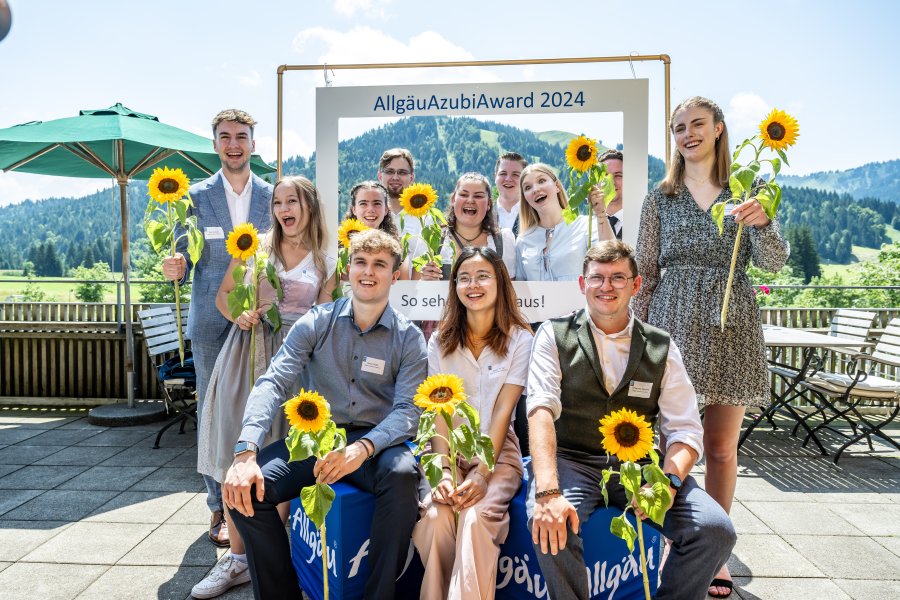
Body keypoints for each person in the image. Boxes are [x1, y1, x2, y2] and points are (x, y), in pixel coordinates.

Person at [634, 96, 789, 598]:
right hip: (672, 322)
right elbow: (646, 270)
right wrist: (637, 339)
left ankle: (715, 555)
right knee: (665, 441)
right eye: (679, 127)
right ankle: (660, 539)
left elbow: (774, 262)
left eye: (697, 124)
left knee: (721, 447)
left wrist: (763, 222)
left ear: (719, 129)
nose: (687, 134)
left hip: (731, 323)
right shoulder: (661, 196)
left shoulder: (753, 188)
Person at [223, 228, 429, 600]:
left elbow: (408, 412)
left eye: (380, 264)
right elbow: (273, 382)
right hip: (317, 440)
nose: (368, 271)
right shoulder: (316, 322)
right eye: (361, 262)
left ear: (395, 276)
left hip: (377, 444)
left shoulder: (409, 337)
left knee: (402, 477)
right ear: (349, 268)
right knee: (246, 492)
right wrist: (245, 450)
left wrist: (362, 449)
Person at [527, 240, 736, 600]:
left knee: (715, 529)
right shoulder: (553, 334)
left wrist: (668, 483)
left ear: (636, 286)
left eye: (618, 278)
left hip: (641, 465)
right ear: (582, 284)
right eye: (597, 278)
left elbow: (685, 430)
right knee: (550, 522)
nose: (606, 287)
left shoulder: (661, 346)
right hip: (573, 460)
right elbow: (541, 410)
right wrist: (547, 491)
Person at [192, 176, 336, 599]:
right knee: (238, 456)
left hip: (300, 362)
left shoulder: (328, 258)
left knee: (284, 456)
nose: (283, 209)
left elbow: (326, 315)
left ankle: (276, 553)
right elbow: (224, 295)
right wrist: (239, 316)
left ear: (309, 205)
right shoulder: (253, 245)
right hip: (248, 354)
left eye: (292, 201)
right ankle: (237, 561)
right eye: (277, 202)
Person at [162, 108, 272, 548]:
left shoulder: (273, 193)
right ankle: (217, 508)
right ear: (215, 144)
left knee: (263, 406)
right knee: (213, 414)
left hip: (263, 319)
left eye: (240, 136)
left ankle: (263, 496)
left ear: (252, 143)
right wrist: (177, 266)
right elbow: (182, 256)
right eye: (224, 136)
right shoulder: (193, 196)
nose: (233, 144)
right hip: (210, 323)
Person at [413, 247, 533, 600]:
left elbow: (503, 411)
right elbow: (437, 412)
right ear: (455, 287)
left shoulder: (520, 340)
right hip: (444, 447)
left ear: (499, 283)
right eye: (463, 278)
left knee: (476, 517)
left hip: (497, 452)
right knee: (436, 520)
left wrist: (482, 472)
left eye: (482, 276)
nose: (473, 285)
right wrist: (444, 471)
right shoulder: (439, 342)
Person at [416, 172, 517, 282]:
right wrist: (424, 280)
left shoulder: (503, 240)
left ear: (488, 204)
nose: (470, 200)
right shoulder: (431, 237)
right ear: (453, 199)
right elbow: (412, 290)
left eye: (478, 196)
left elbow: (511, 290)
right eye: (464, 195)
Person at [515, 164, 598, 281]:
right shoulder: (522, 241)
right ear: (526, 199)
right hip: (538, 300)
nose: (535, 189)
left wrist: (601, 215)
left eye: (541, 181)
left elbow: (610, 261)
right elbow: (521, 290)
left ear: (557, 186)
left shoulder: (586, 226)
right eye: (527, 188)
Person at [342, 180, 410, 279]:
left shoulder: (398, 248)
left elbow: (405, 288)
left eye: (377, 203)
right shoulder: (338, 246)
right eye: (363, 204)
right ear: (354, 209)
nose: (370, 209)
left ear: (386, 209)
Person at [588, 149, 624, 240]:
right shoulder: (586, 228)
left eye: (618, 175)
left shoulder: (642, 222)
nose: (611, 182)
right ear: (596, 182)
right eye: (605, 176)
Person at [493, 152, 528, 236]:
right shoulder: (483, 214)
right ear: (495, 177)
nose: (508, 179)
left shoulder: (536, 213)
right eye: (503, 173)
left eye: (515, 174)